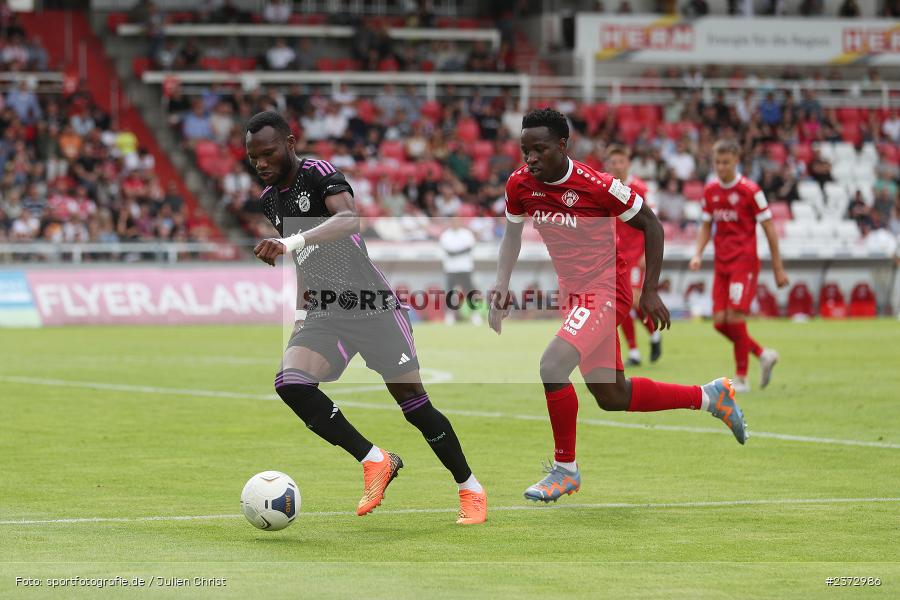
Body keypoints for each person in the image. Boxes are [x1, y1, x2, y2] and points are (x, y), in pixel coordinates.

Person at [490, 108, 748, 504]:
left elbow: (652, 224)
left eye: (539, 149)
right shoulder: (520, 184)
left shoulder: (598, 185)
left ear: (563, 145)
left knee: (552, 365)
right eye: (526, 150)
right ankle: (710, 396)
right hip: (574, 296)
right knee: (612, 395)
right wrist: (501, 285)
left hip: (607, 289)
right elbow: (511, 235)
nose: (531, 159)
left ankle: (565, 470)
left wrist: (650, 291)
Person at [247, 111, 486, 524]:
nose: (262, 164)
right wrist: (302, 311)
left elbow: (348, 219)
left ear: (290, 141)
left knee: (414, 405)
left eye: (267, 153)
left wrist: (291, 239)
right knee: (291, 383)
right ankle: (375, 460)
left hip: (372, 307)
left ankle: (470, 488)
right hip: (324, 311)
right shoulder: (270, 198)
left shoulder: (319, 173)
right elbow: (303, 259)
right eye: (254, 159)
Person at [689, 139, 789, 393]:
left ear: (736, 162)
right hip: (721, 263)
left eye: (726, 162)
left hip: (744, 262)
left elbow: (769, 228)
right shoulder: (710, 191)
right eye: (717, 162)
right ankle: (762, 354)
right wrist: (697, 253)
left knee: (734, 317)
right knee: (720, 322)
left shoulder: (750, 190)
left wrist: (778, 268)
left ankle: (742, 377)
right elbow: (704, 226)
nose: (721, 167)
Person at [606, 145, 662, 366]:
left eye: (621, 161)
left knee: (633, 301)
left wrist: (648, 254)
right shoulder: (607, 188)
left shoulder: (641, 188)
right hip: (615, 255)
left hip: (637, 253)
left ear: (627, 163)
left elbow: (654, 224)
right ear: (609, 165)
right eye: (614, 162)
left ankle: (652, 336)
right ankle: (636, 351)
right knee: (620, 303)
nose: (617, 166)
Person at [439, 216, 481, 326]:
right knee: (450, 293)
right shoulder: (446, 235)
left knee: (470, 292)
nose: (455, 223)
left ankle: (474, 314)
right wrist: (460, 251)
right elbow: (448, 251)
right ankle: (450, 316)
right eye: (453, 221)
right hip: (451, 269)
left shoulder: (466, 234)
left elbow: (469, 248)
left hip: (465, 267)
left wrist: (455, 252)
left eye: (457, 221)